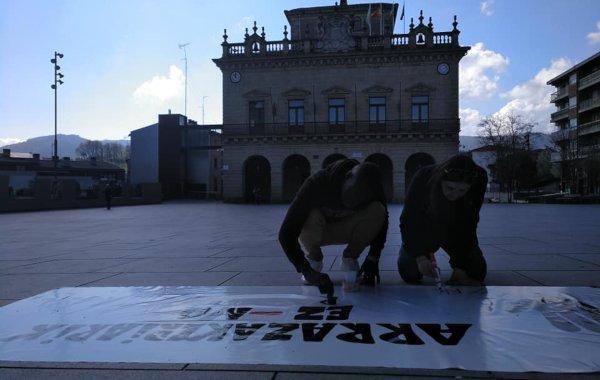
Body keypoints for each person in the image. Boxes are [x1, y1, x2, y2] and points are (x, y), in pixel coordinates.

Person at [279, 159, 388, 292]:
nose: (352, 203)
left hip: (349, 229)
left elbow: (382, 222)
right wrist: (304, 268)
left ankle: (350, 258)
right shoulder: (316, 183)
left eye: (360, 200)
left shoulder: (373, 188)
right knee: (307, 213)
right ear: (347, 177)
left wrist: (373, 258)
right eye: (352, 194)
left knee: (378, 210)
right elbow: (286, 233)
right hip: (318, 230)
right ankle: (314, 259)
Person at [398, 154, 488, 286]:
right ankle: (425, 254)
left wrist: (460, 267)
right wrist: (420, 256)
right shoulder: (424, 176)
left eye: (462, 190)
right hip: (425, 230)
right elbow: (408, 220)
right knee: (410, 273)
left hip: (455, 230)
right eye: (450, 188)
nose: (455, 195)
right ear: (440, 180)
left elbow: (470, 222)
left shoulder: (479, 177)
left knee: (476, 272)